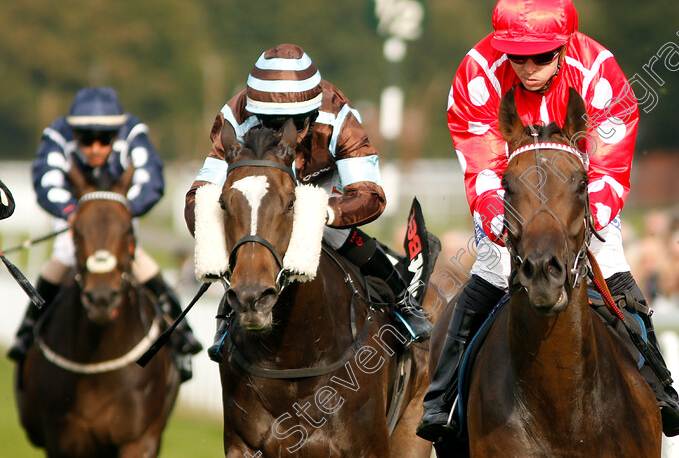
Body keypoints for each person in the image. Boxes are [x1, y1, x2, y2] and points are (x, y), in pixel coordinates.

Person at [416, 0, 679, 441]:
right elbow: (481, 161)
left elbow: (609, 160)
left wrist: (591, 216)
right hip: (513, 193)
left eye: (541, 56)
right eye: (516, 56)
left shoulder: (599, 69)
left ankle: (660, 387)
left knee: (612, 257)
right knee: (493, 262)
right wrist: (495, 214)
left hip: (581, 190)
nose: (527, 67)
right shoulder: (478, 72)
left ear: (564, 45)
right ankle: (441, 398)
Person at [183, 44, 433, 362]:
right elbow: (198, 196)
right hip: (264, 189)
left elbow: (371, 195)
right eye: (271, 125)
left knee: (335, 235)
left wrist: (322, 212)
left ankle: (402, 304)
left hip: (322, 182)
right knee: (246, 234)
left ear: (314, 114)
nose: (283, 135)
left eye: (295, 124)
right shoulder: (235, 117)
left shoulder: (339, 116)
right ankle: (228, 318)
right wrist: (214, 230)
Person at [8, 87, 202, 381]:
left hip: (118, 224)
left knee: (138, 260)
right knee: (61, 258)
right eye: (87, 139)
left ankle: (180, 333)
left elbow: (151, 179)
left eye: (104, 139)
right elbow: (45, 180)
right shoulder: (57, 135)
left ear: (116, 133)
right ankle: (28, 331)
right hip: (76, 224)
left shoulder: (133, 132)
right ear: (74, 134)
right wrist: (72, 211)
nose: (96, 147)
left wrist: (121, 211)